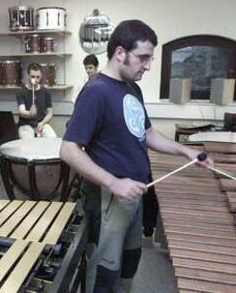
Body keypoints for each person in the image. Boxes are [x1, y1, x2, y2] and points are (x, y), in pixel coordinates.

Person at [60, 20, 213, 293]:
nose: (148, 65)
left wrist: (186, 151)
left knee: (129, 264)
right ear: (120, 52)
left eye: (150, 58)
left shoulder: (133, 87)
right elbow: (69, 149)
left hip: (135, 194)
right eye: (143, 57)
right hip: (110, 198)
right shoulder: (95, 92)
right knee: (104, 272)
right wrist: (113, 182)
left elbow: (148, 134)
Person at [16, 62, 57, 139]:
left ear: (41, 76)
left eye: (38, 77)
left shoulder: (46, 92)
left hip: (41, 123)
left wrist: (42, 123)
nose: (35, 79)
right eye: (32, 76)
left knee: (53, 139)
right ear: (28, 76)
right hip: (25, 124)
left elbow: (50, 113)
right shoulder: (21, 92)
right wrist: (30, 113)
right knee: (29, 143)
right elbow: (21, 112)